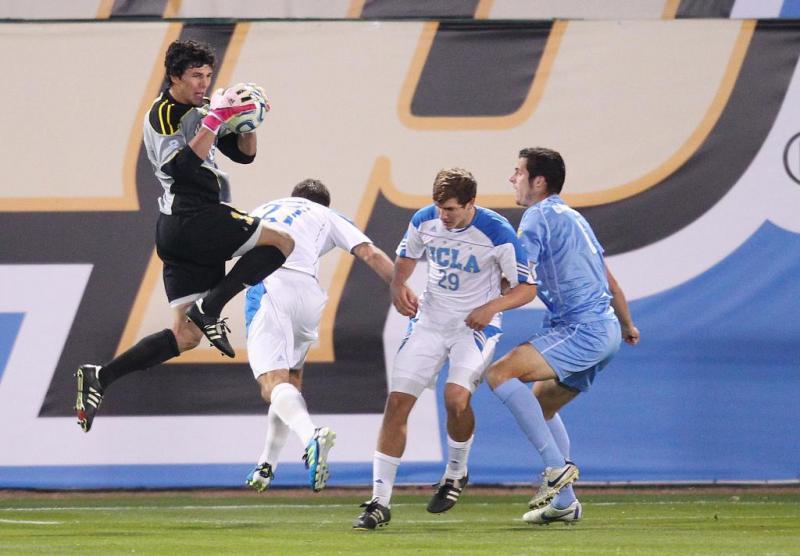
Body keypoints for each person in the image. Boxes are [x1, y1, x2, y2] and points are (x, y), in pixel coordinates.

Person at [74, 39, 294, 433]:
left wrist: (248, 122)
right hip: (193, 216)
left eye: (208, 75)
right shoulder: (162, 114)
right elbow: (181, 170)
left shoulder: (203, 108)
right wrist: (214, 120)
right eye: (195, 75)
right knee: (282, 243)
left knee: (186, 336)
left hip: (182, 229)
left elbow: (243, 155)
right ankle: (210, 308)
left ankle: (99, 378)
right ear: (174, 76)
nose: (203, 83)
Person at [353, 168, 537, 530]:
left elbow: (526, 288)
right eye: (439, 207)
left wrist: (490, 308)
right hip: (430, 321)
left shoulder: (497, 232)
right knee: (397, 403)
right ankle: (379, 501)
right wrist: (397, 285)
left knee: (455, 398)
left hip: (474, 326)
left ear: (471, 204)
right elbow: (407, 257)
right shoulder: (425, 219)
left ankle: (455, 472)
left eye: (451, 209)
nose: (443, 215)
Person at [485, 147, 640, 525]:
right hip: (604, 330)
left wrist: (482, 299)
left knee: (499, 374)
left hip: (581, 329)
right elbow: (611, 281)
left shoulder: (536, 217)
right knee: (541, 407)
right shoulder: (574, 218)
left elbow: (522, 278)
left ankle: (556, 470)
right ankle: (565, 502)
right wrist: (627, 325)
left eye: (517, 172)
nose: (512, 178)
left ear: (539, 181)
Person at [243, 179, 394, 492]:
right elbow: (371, 253)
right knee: (289, 383)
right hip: (308, 295)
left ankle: (311, 435)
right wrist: (404, 291)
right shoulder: (328, 215)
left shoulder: (262, 209)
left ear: (292, 196)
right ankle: (266, 465)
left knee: (272, 385)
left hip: (269, 286)